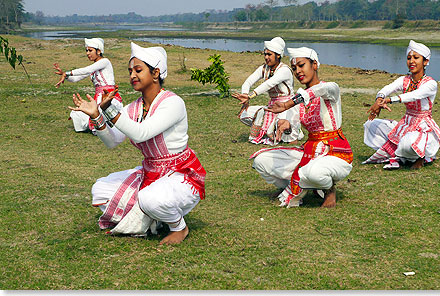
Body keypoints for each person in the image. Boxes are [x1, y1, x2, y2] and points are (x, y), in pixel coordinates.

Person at [68, 42, 206, 245]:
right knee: (100, 190)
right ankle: (156, 218)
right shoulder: (134, 107)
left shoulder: (173, 103)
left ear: (156, 73)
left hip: (180, 176)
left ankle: (179, 227)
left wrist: (110, 112)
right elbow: (112, 141)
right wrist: (97, 116)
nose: (132, 75)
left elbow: (142, 133)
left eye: (138, 70)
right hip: (150, 173)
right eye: (130, 71)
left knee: (149, 199)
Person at [251, 47, 353, 208]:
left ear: (315, 65)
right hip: (309, 151)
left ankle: (329, 189)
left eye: (301, 65)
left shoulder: (331, 89)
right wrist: (284, 124)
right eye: (294, 68)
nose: (298, 71)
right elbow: (290, 121)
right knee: (261, 161)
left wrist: (288, 103)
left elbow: (316, 91)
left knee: (313, 173)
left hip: (336, 153)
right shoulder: (299, 99)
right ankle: (294, 187)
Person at [363, 40, 440, 170]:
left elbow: (414, 95)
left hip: (422, 127)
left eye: (416, 58)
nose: (411, 61)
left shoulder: (430, 84)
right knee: (371, 125)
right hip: (406, 123)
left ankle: (420, 157)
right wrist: (379, 99)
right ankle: (402, 155)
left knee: (409, 143)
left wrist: (389, 100)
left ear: (425, 62)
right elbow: (387, 89)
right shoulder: (404, 80)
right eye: (409, 58)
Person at [231, 37, 304, 145]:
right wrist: (245, 96)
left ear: (278, 55)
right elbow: (247, 82)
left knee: (283, 129)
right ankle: (275, 129)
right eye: (265, 54)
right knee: (245, 114)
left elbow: (269, 84)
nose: (266, 57)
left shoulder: (284, 70)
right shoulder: (264, 68)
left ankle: (293, 129)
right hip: (273, 105)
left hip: (287, 106)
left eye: (269, 55)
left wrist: (250, 96)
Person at [54, 38, 122, 133]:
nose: (87, 53)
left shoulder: (105, 61)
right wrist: (65, 75)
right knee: (79, 113)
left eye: (90, 50)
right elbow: (76, 78)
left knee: (102, 119)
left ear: (99, 51)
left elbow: (87, 70)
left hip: (108, 97)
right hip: (98, 97)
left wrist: (68, 73)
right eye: (86, 50)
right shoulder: (94, 67)